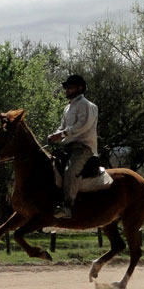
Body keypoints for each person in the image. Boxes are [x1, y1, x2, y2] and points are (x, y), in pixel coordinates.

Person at [46, 74, 98, 218]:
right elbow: (62, 127)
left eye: (69, 88)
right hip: (67, 147)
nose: (66, 91)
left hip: (83, 148)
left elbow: (83, 125)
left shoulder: (86, 105)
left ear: (80, 88)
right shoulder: (67, 108)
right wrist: (54, 135)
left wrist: (62, 134)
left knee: (70, 170)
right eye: (66, 88)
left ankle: (67, 206)